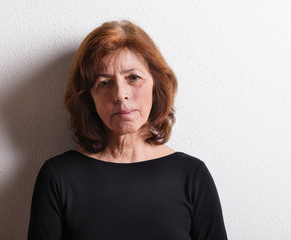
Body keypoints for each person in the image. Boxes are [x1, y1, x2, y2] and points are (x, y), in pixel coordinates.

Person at [28, 20, 227, 240]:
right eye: (104, 83)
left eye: (133, 78)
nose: (120, 94)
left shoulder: (192, 175)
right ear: (89, 97)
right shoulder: (58, 176)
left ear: (156, 86)